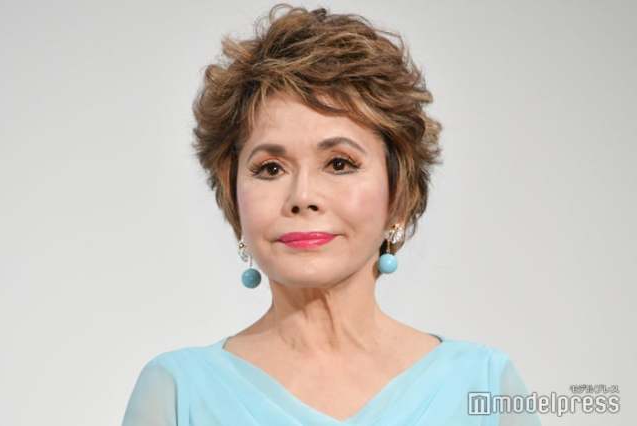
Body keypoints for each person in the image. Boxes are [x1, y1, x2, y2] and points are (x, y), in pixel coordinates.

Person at [122, 4, 541, 425]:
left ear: (398, 194)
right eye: (270, 168)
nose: (302, 197)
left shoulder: (486, 385)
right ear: (233, 197)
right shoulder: (176, 392)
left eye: (339, 163)